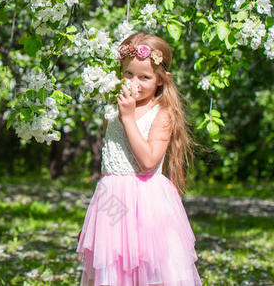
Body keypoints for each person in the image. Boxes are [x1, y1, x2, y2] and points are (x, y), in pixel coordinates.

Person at [76, 32, 202, 286]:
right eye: (128, 74)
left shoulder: (161, 113)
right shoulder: (113, 109)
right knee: (112, 269)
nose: (135, 82)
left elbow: (147, 163)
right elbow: (113, 163)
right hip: (111, 199)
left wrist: (129, 118)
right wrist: (96, 226)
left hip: (147, 205)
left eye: (145, 77)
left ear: (160, 80)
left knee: (149, 269)